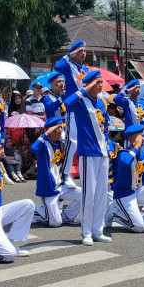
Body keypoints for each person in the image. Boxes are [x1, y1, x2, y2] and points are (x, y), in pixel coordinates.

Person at [64, 70, 110, 245]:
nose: (100, 85)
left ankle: (98, 230)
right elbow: (67, 103)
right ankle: (86, 232)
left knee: (101, 193)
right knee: (88, 193)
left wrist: (107, 146)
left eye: (101, 82)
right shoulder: (81, 101)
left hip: (102, 152)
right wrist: (84, 89)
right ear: (89, 84)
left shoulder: (103, 103)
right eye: (97, 82)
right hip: (87, 152)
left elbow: (105, 127)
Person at [106, 124, 144, 233]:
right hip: (122, 195)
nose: (143, 138)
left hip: (135, 191)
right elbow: (125, 163)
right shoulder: (123, 153)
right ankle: (113, 212)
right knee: (139, 227)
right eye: (139, 136)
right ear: (131, 138)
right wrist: (136, 147)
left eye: (143, 135)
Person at [31, 117, 81, 227]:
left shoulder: (61, 143)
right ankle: (32, 209)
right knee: (55, 223)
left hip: (62, 186)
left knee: (83, 195)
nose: (60, 130)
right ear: (50, 130)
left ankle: (66, 217)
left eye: (61, 127)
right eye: (57, 128)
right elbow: (33, 149)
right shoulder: (43, 144)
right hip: (49, 189)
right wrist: (45, 133)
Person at [54, 41, 89, 193]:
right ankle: (65, 173)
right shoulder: (68, 65)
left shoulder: (84, 68)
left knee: (84, 141)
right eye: (80, 51)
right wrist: (69, 55)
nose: (83, 53)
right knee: (72, 141)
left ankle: (83, 171)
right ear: (74, 53)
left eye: (85, 51)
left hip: (85, 108)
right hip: (73, 108)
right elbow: (57, 67)